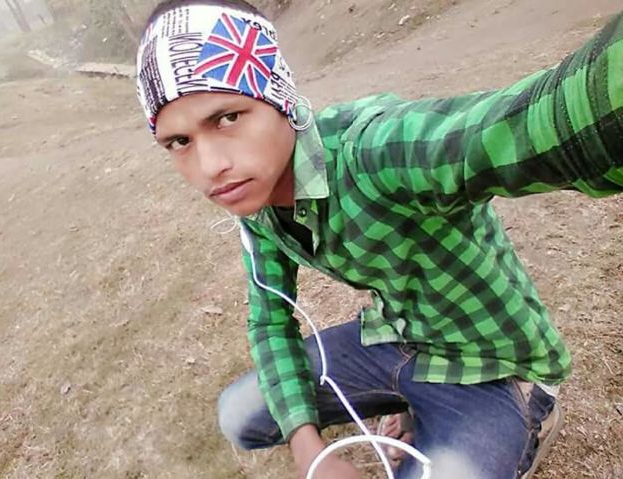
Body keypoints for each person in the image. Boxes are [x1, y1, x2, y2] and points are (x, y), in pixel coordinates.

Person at [135, 1, 623, 477]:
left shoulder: (371, 150)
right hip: (398, 337)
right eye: (179, 142)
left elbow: (517, 130)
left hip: (489, 363)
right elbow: (270, 321)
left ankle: (533, 414)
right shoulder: (255, 199)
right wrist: (310, 452)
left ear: (278, 96)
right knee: (239, 414)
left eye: (227, 118)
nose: (210, 167)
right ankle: (412, 404)